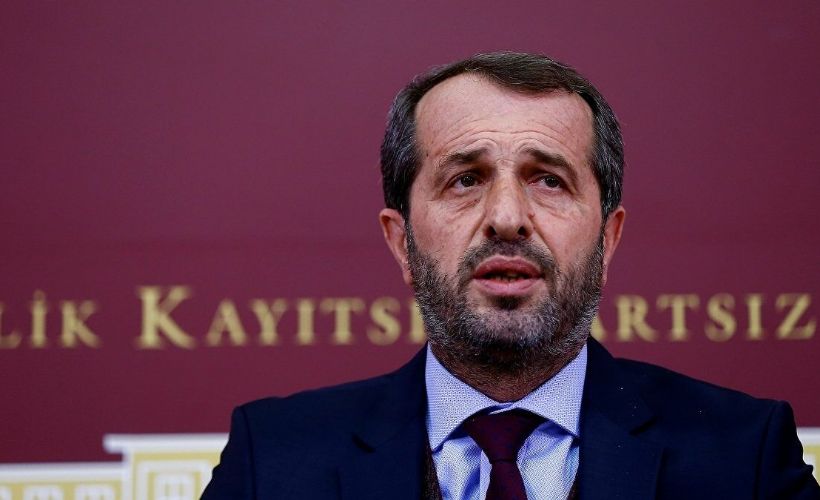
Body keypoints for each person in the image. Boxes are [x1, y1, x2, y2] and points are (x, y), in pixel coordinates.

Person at [202, 52, 819, 499]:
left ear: (607, 239)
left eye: (548, 180)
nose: (506, 218)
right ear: (401, 242)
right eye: (464, 179)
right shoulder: (272, 460)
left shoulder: (744, 456)